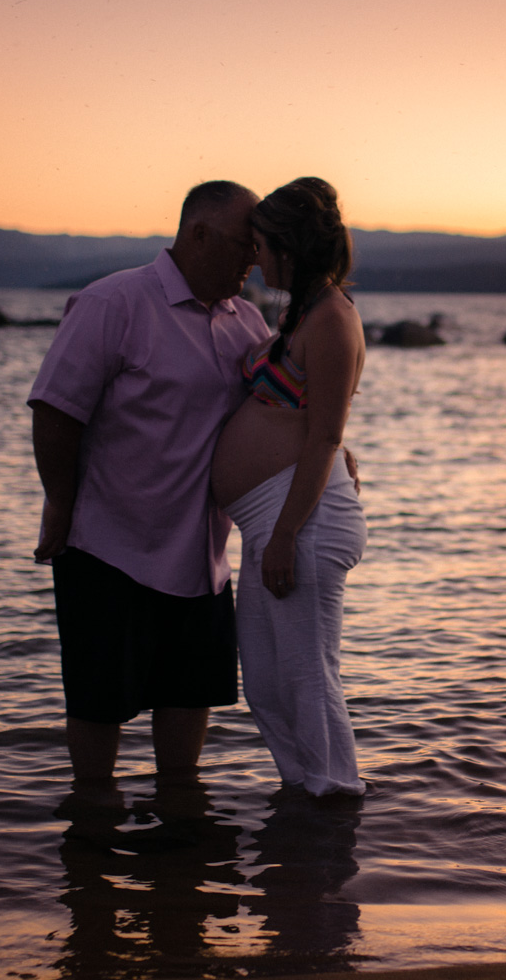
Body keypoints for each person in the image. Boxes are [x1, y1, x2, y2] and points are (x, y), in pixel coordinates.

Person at [28, 180, 271, 782]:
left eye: (261, 247)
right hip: (109, 547)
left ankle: (180, 857)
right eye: (246, 244)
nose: (255, 259)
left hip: (202, 559)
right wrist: (60, 502)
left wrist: (333, 451)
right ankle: (90, 854)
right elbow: (56, 408)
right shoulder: (114, 302)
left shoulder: (248, 321)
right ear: (198, 234)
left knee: (188, 715)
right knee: (97, 711)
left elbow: (275, 411)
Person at [210, 177, 369, 797]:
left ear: (290, 249)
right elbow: (313, 417)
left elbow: (325, 432)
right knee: (267, 683)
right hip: (274, 519)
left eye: (262, 245)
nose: (255, 257)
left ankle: (337, 798)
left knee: (307, 673)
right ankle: (305, 797)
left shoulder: (331, 318)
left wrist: (284, 534)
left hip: (299, 521)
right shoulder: (298, 311)